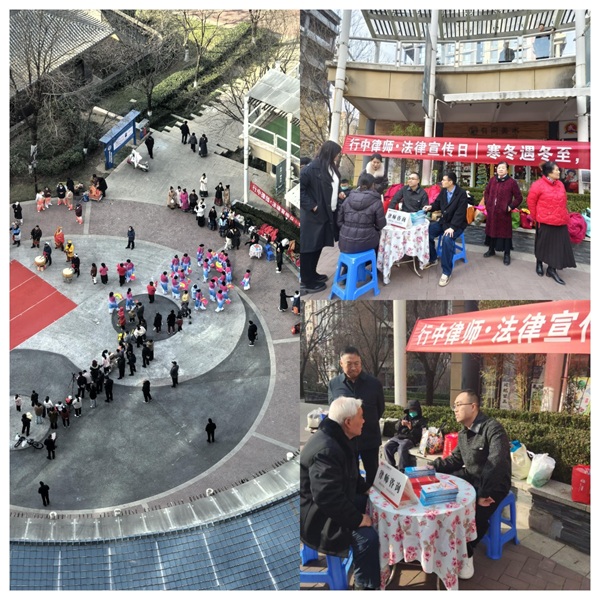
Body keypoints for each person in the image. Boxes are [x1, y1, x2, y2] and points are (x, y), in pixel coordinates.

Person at [300, 396, 380, 590]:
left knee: (371, 504)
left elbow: (350, 474)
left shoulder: (340, 438)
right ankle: (365, 586)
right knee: (368, 538)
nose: (364, 421)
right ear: (348, 422)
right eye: (361, 417)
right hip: (319, 516)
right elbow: (327, 497)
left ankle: (376, 565)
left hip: (335, 501)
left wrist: (366, 488)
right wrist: (357, 519)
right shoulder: (327, 449)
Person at [432, 390, 511, 580]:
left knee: (476, 512)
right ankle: (444, 534)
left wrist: (483, 493)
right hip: (472, 476)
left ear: (473, 407)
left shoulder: (493, 429)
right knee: (442, 485)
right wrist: (431, 467)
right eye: (454, 406)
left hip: (495, 483)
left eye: (459, 405)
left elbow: (497, 463)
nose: (455, 409)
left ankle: (467, 553)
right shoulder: (463, 433)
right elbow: (455, 460)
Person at [328, 347, 385, 489]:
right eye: (349, 364)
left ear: (361, 363)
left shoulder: (374, 384)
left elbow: (380, 409)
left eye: (357, 363)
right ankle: (356, 500)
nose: (353, 367)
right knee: (350, 475)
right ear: (341, 364)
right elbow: (334, 411)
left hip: (369, 437)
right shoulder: (334, 384)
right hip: (346, 440)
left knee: (373, 474)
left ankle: (373, 499)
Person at [300, 140, 342, 293]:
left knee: (318, 246)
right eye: (337, 153)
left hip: (327, 213)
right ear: (330, 153)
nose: (338, 156)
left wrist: (339, 193)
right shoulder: (311, 169)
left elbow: (332, 186)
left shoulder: (330, 167)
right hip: (314, 216)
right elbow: (300, 189)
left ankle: (313, 273)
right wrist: (313, 206)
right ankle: (306, 280)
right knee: (309, 248)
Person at [527, 161, 576, 285]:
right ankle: (539, 263)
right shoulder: (538, 185)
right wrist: (536, 217)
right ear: (549, 172)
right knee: (542, 244)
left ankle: (551, 269)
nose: (559, 172)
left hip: (560, 220)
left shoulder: (560, 184)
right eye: (556, 170)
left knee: (557, 247)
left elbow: (564, 201)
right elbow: (531, 202)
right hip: (544, 220)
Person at [423, 171, 469, 287]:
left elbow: (460, 213)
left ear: (451, 182)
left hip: (457, 225)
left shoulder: (461, 194)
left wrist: (453, 227)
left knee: (447, 239)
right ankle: (433, 258)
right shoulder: (444, 191)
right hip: (444, 222)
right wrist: (430, 207)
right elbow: (437, 204)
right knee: (427, 231)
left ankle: (446, 272)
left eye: (444, 180)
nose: (441, 182)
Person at [483, 161, 523, 266]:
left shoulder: (511, 182)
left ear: (507, 170)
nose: (500, 169)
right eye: (499, 167)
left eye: (503, 168)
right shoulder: (493, 180)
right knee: (491, 231)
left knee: (505, 234)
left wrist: (510, 207)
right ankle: (491, 250)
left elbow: (519, 198)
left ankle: (507, 254)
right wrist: (488, 203)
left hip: (504, 214)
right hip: (492, 212)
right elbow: (486, 192)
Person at [337, 172, 387, 255]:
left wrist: (347, 229)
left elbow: (339, 221)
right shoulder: (376, 201)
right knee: (379, 241)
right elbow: (381, 225)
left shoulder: (348, 199)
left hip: (344, 242)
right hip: (367, 243)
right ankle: (373, 263)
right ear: (373, 185)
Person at [384, 400, 428, 470]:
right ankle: (391, 467)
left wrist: (411, 428)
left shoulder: (422, 420)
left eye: (413, 410)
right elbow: (396, 427)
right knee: (387, 447)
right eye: (410, 410)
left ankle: (401, 469)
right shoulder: (405, 417)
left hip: (410, 439)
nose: (411, 412)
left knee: (402, 448)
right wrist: (401, 424)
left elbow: (421, 434)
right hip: (399, 437)